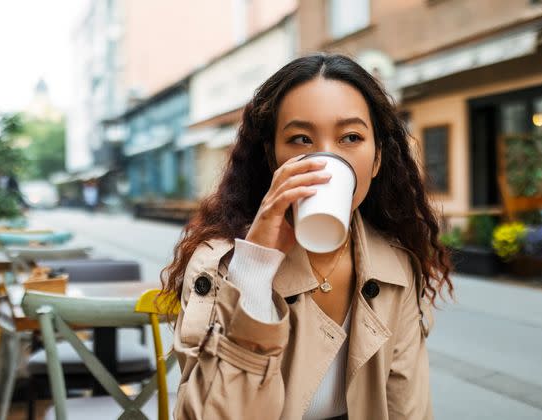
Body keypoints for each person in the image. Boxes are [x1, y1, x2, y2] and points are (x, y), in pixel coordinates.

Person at [162, 53, 453, 420]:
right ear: (273, 159)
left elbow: (407, 408)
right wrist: (253, 270)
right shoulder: (218, 266)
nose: (325, 160)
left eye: (350, 137)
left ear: (377, 158)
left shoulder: (395, 266)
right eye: (301, 139)